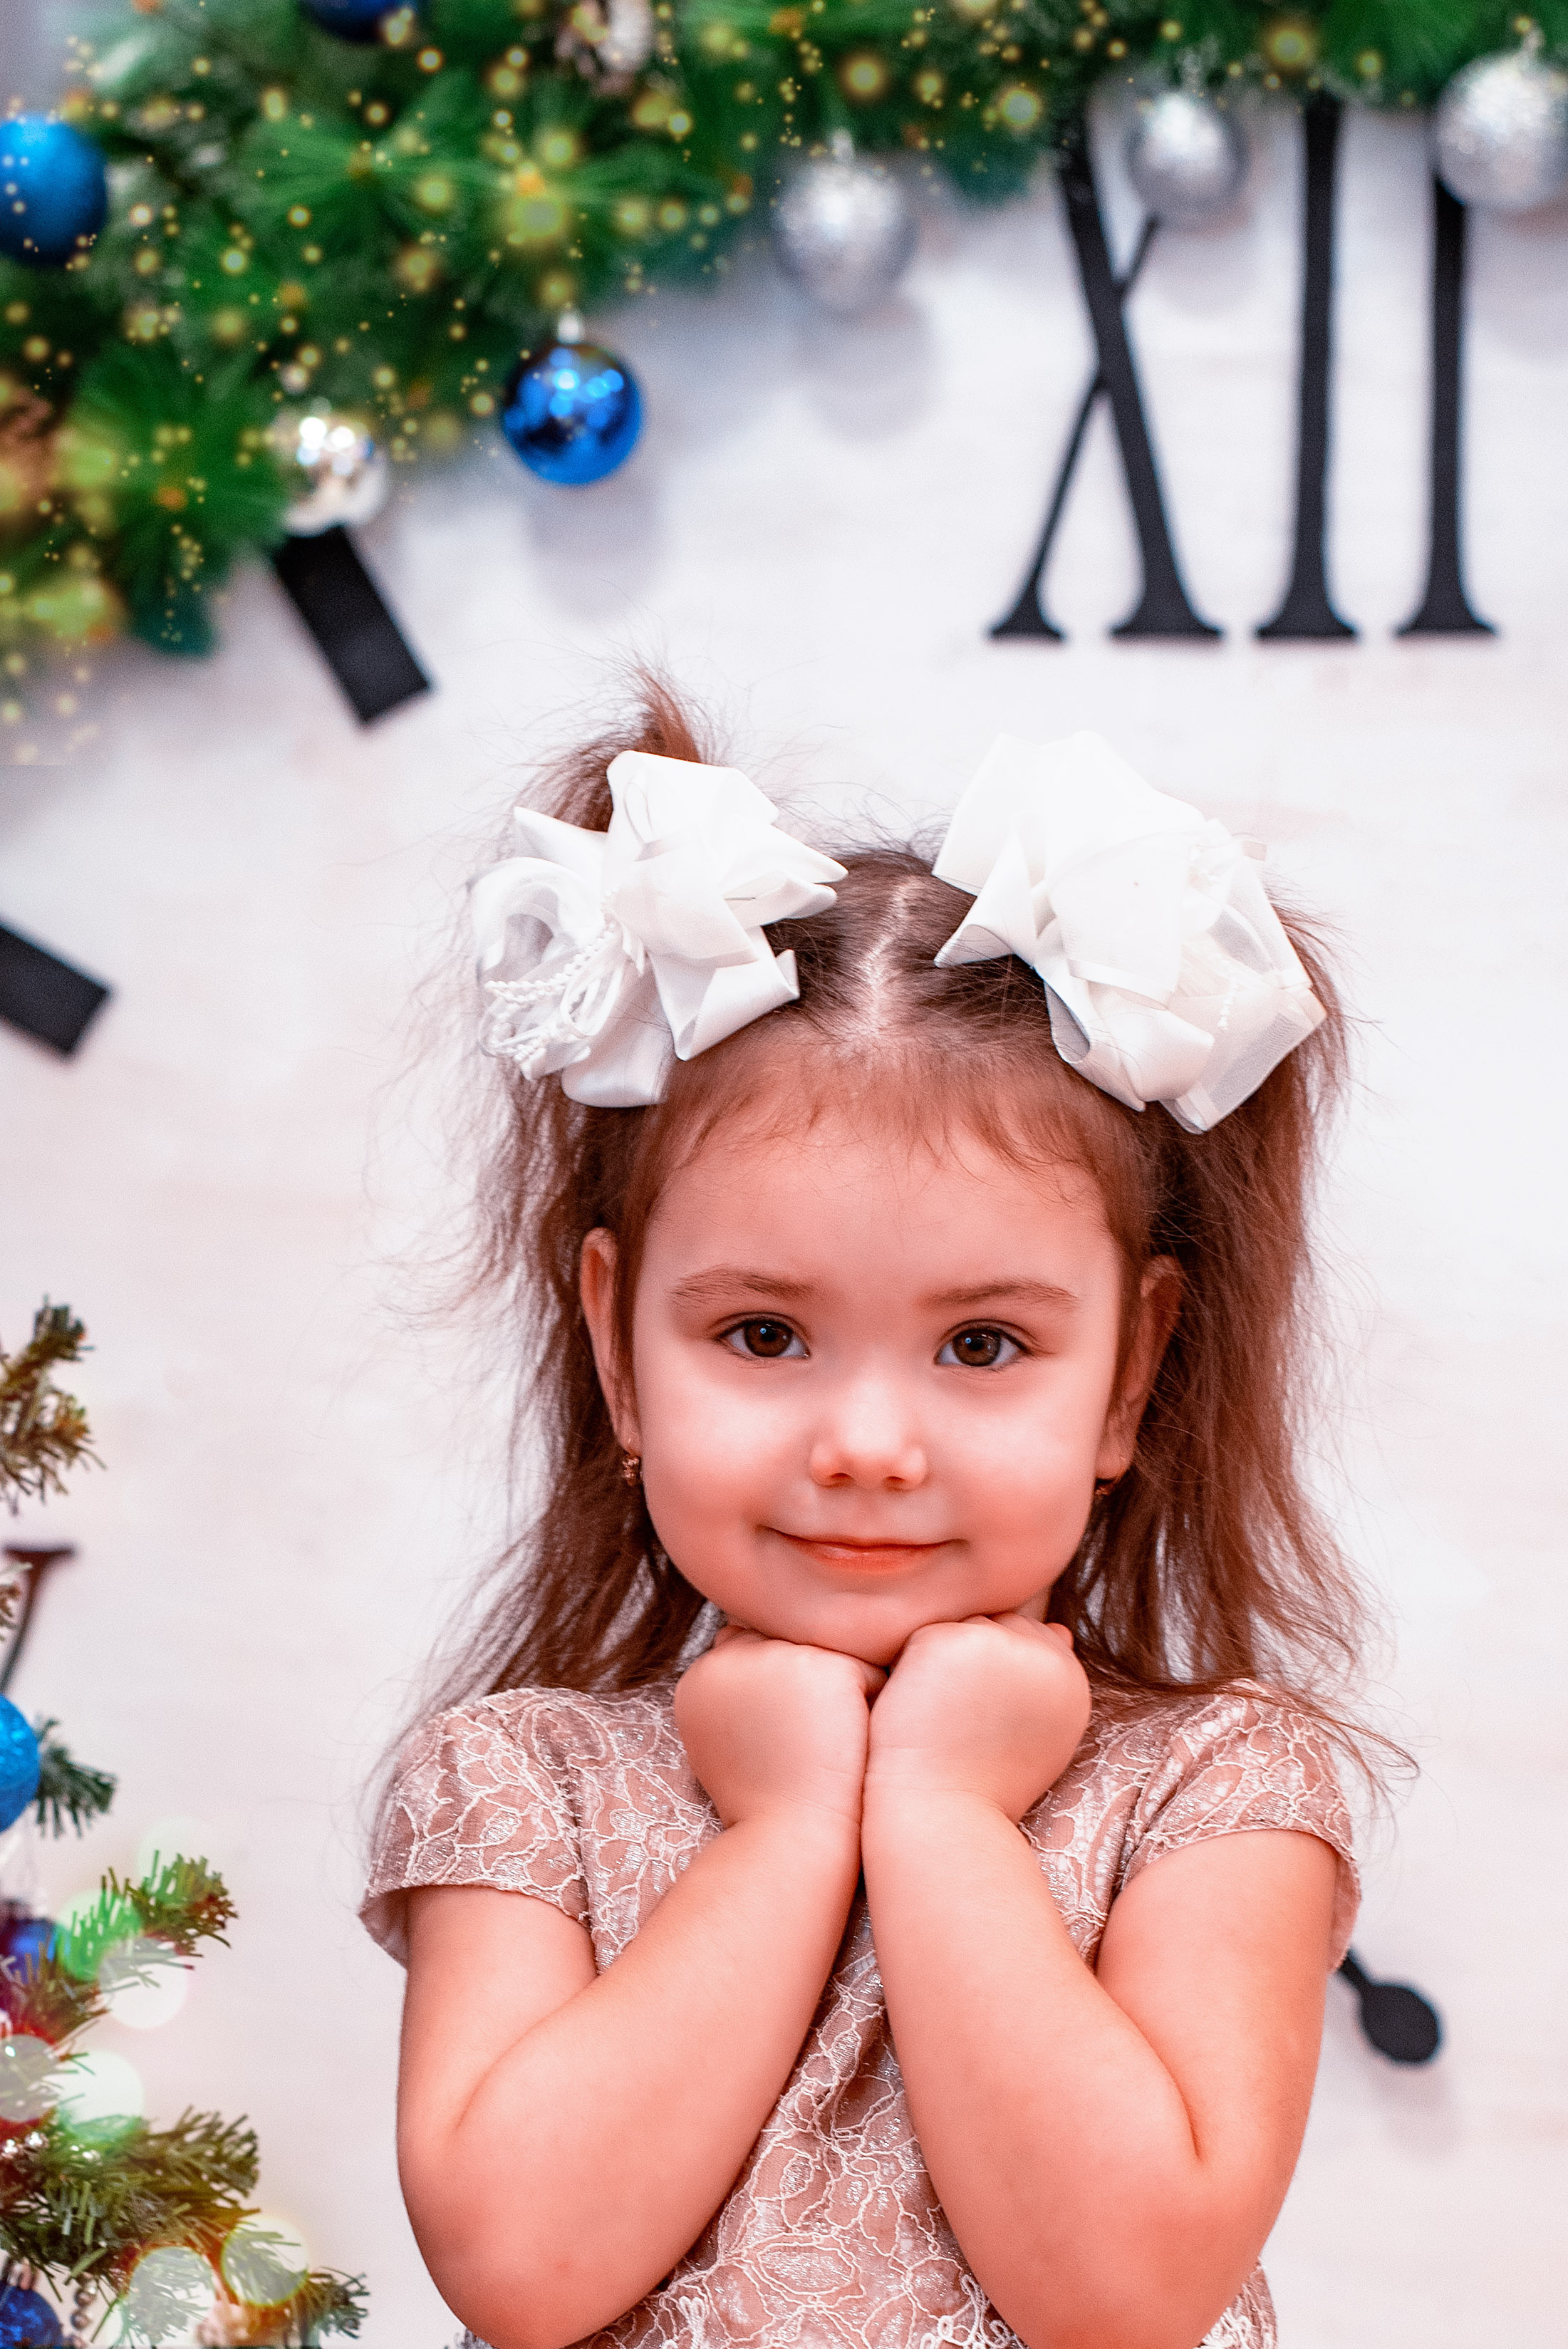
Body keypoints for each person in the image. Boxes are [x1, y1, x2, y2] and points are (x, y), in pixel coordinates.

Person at [363, 688, 1375, 2349]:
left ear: (1132, 1374)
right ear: (619, 1347)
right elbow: (522, 2265)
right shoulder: (521, 1779)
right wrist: (776, 1831)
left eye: (984, 1344)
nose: (869, 1443)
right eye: (763, 1334)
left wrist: (950, 1815)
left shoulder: (1216, 1790)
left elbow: (1123, 2293)